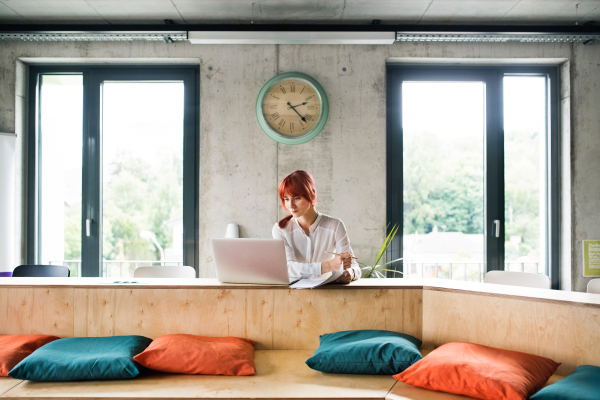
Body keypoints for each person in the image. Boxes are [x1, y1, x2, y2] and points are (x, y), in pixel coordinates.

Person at [272, 170, 361, 284]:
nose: (290, 205)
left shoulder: (335, 225)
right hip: (293, 294)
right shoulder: (280, 229)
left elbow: (354, 267)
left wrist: (350, 273)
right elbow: (288, 268)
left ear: (311, 195)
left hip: (326, 294)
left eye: (297, 198)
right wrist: (328, 266)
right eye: (286, 199)